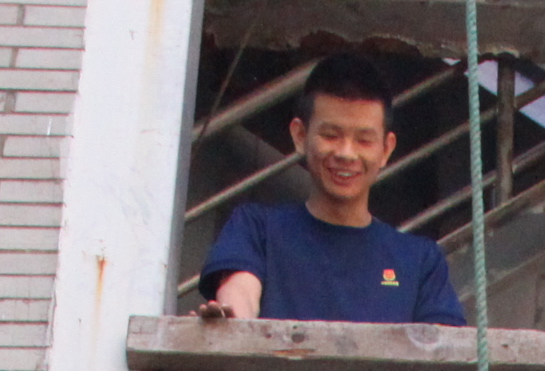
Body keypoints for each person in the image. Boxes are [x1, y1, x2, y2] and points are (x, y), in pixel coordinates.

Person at [196, 51, 467, 327]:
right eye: (331, 135)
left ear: (386, 149)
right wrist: (233, 322)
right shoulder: (257, 228)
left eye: (364, 140)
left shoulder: (421, 261)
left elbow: (444, 343)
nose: (346, 153)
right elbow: (240, 292)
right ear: (300, 136)